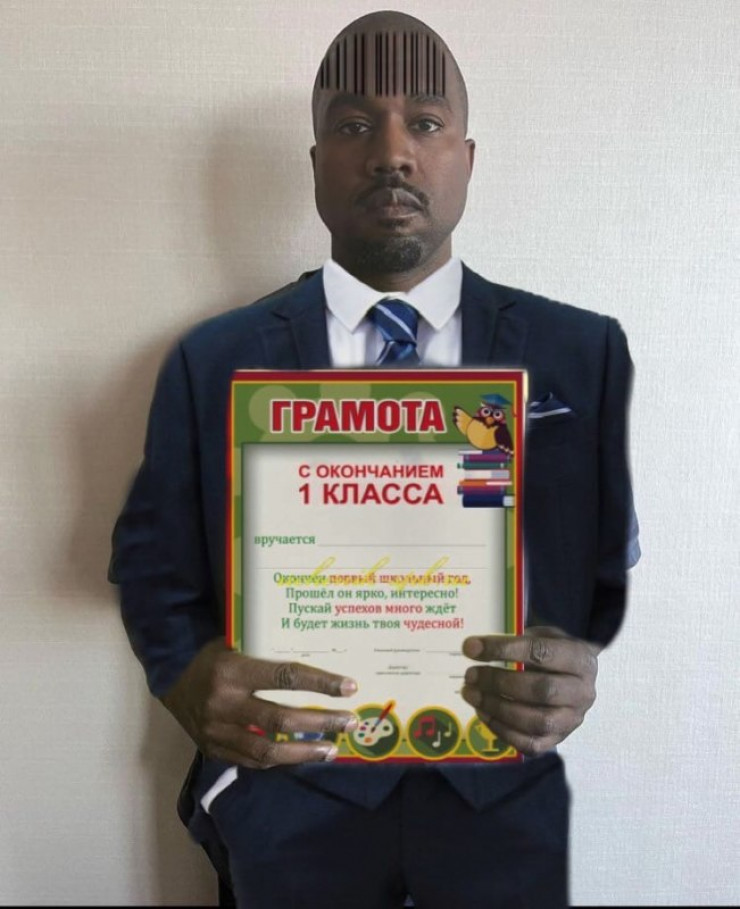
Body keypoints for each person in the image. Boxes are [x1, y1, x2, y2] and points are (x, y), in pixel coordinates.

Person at [110, 10, 638, 908]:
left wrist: (572, 660)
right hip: (285, 799)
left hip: (495, 800)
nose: (392, 153)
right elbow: (151, 572)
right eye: (354, 125)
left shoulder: (579, 353)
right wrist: (187, 679)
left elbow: (598, 567)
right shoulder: (211, 360)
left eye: (425, 123)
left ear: (468, 158)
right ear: (317, 162)